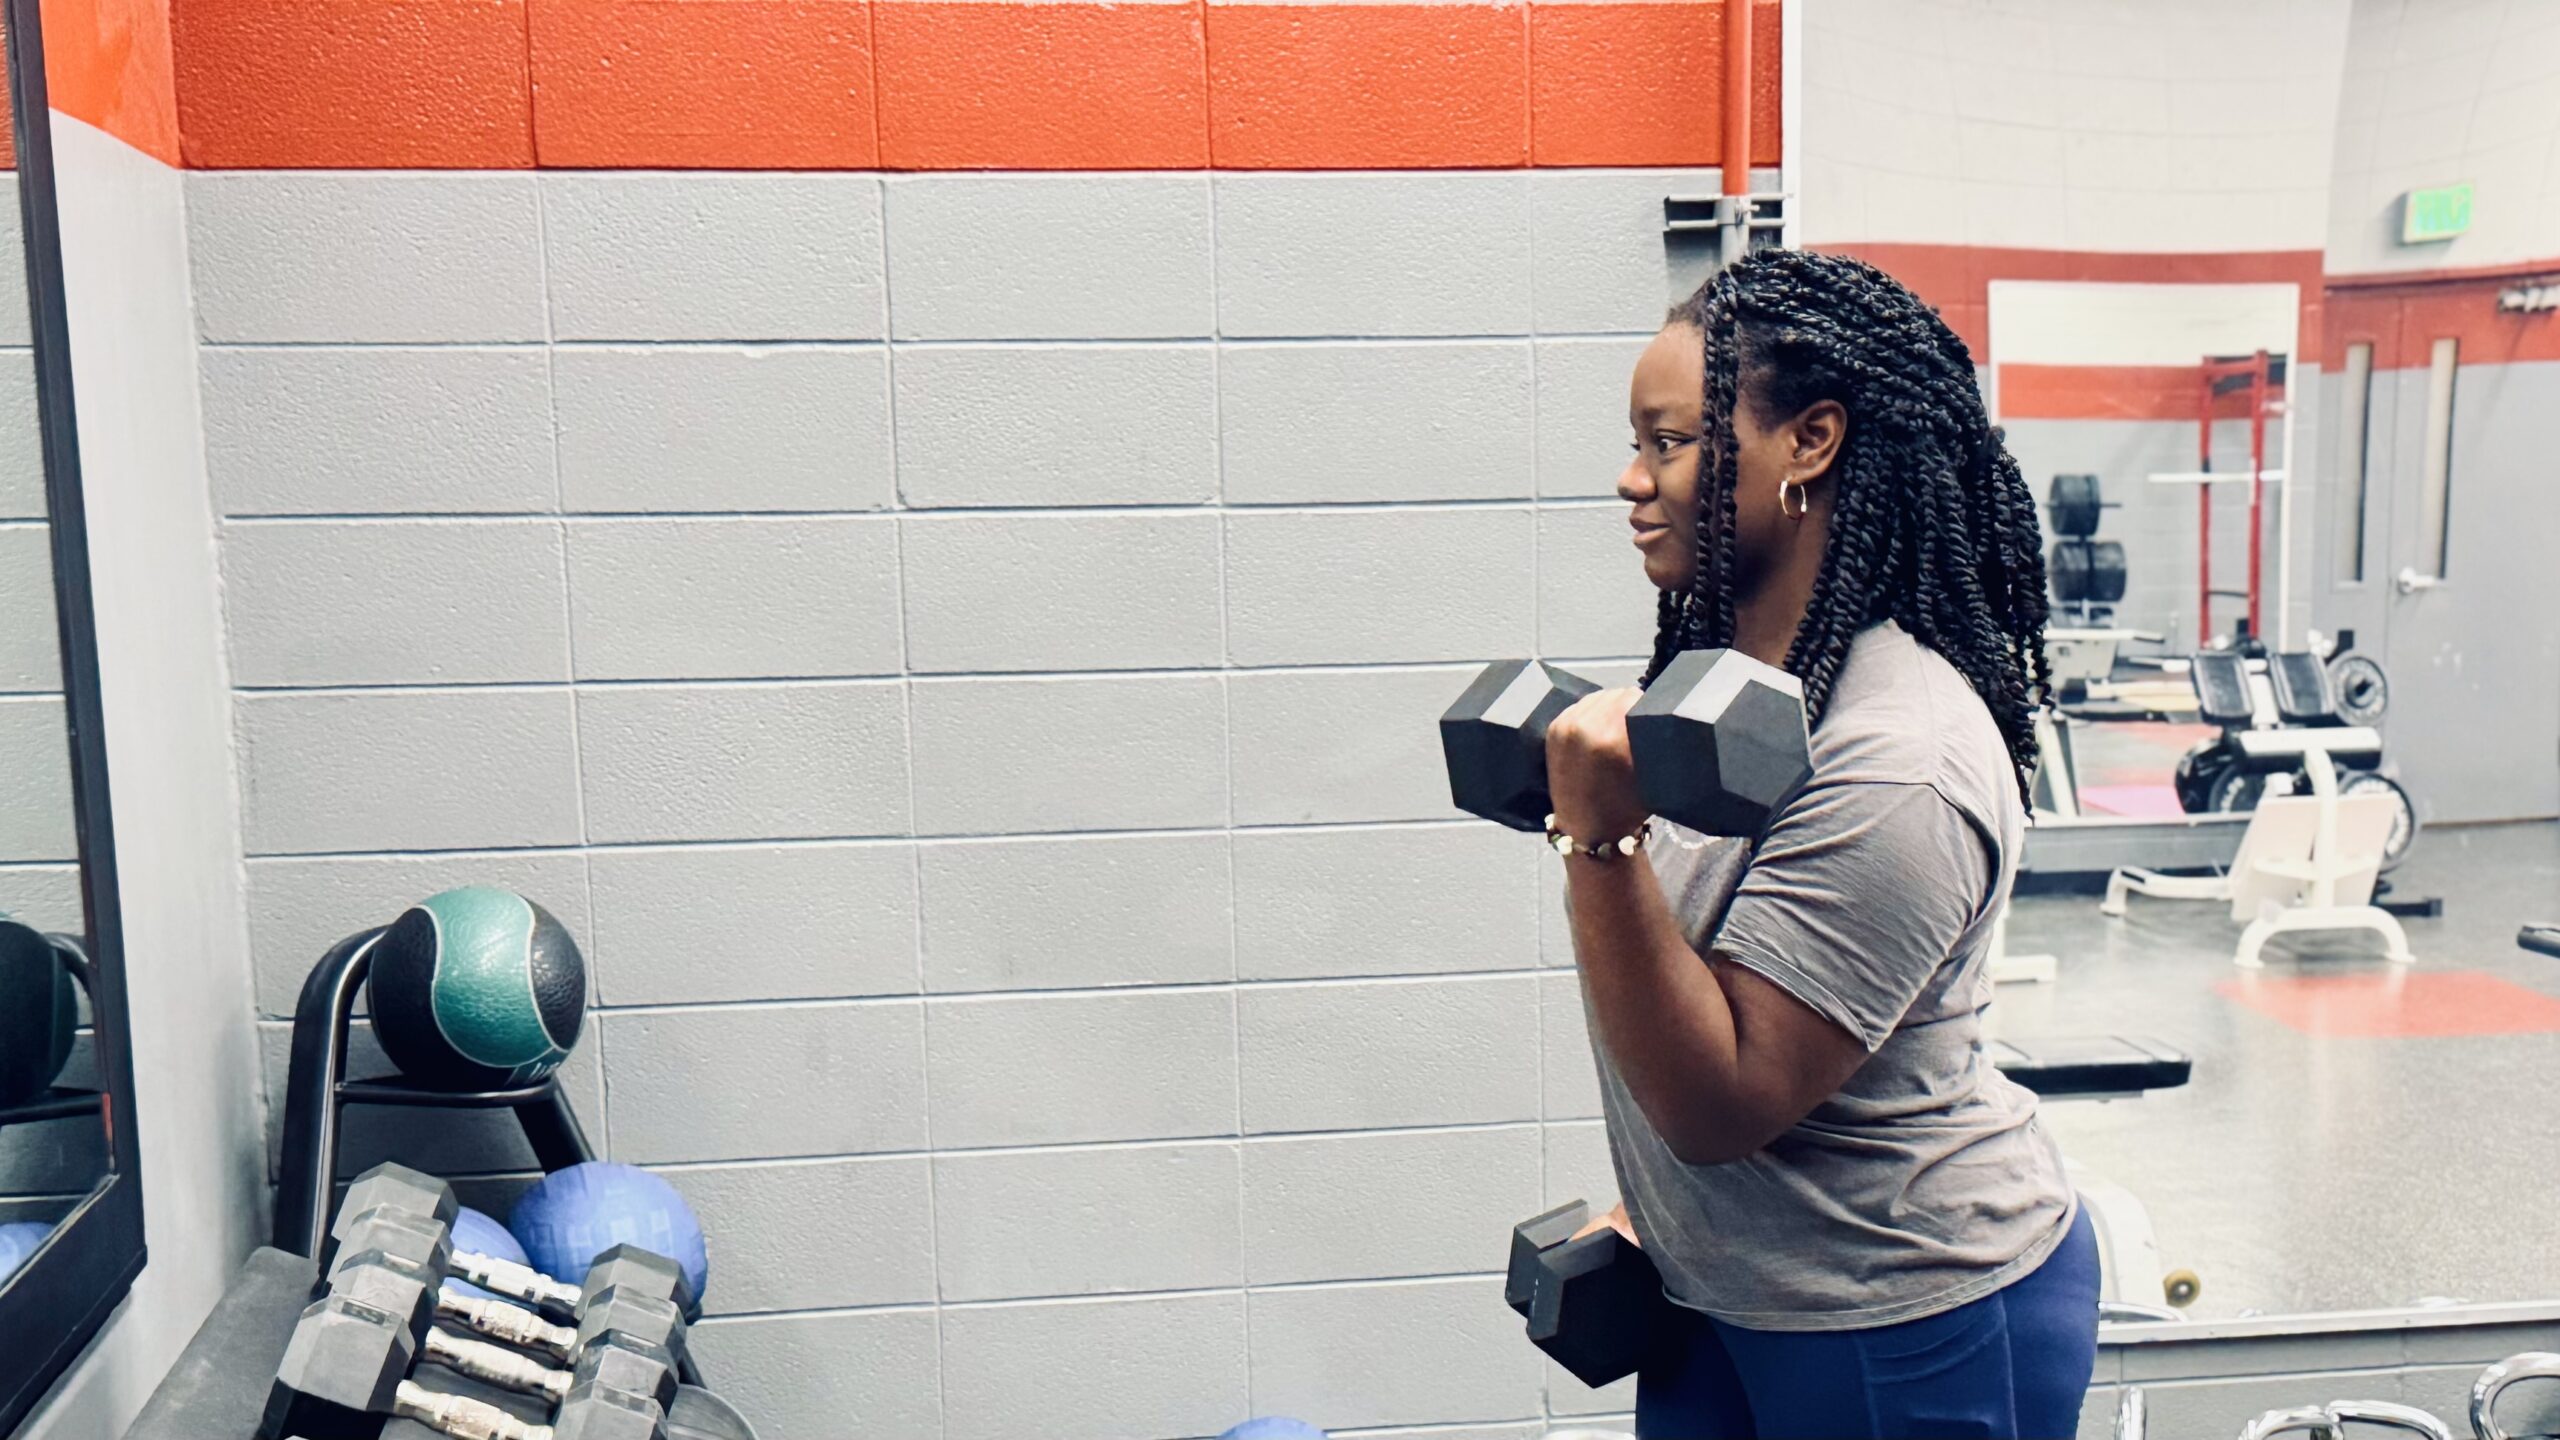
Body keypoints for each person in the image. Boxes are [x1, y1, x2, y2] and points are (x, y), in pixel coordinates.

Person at [1545, 248, 2097, 1439]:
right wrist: (1664, 1212)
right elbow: (1708, 996)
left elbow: (1724, 1099)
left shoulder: (1901, 758)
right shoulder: (1739, 696)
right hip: (1728, 1288)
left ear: (1810, 442)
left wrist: (1601, 841)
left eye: (1670, 442)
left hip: (1901, 1309)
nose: (1632, 481)